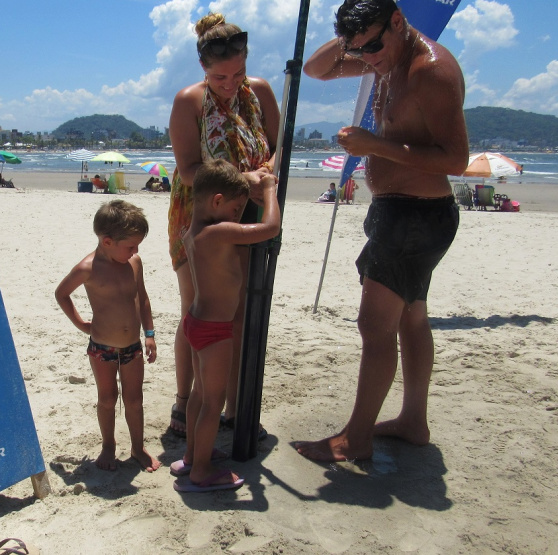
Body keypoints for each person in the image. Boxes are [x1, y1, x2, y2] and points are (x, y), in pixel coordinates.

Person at [294, 0, 469, 462]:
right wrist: (355, 40)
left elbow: (456, 159)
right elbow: (315, 68)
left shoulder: (429, 70)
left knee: (375, 325)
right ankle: (413, 420)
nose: (368, 58)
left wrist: (376, 145)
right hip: (400, 211)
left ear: (398, 21)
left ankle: (356, 438)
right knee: (411, 317)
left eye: (373, 45)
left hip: (416, 215)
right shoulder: (382, 57)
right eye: (360, 50)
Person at [166, 12, 280, 439]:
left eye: (239, 73)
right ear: (203, 68)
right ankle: (184, 401)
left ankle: (231, 406)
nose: (231, 84)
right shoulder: (188, 101)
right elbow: (190, 169)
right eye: (220, 76)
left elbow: (274, 148)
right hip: (199, 214)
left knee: (239, 312)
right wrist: (242, 180)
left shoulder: (261, 92)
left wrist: (266, 171)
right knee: (199, 308)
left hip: (247, 212)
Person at [171, 159, 280, 492]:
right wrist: (270, 191)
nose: (238, 216)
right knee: (212, 403)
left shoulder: (193, 230)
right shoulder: (220, 232)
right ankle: (201, 471)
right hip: (216, 331)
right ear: (217, 202)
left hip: (195, 322)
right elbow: (270, 228)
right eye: (236, 209)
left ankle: (192, 455)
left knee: (199, 396)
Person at [55, 200, 161, 473]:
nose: (136, 251)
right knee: (107, 398)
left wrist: (149, 333)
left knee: (135, 399)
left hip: (132, 348)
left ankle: (137, 447)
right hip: (101, 347)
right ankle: (108, 446)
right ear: (107, 241)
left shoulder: (134, 263)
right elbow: (62, 293)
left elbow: (143, 299)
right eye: (131, 246)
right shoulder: (88, 268)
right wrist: (80, 324)